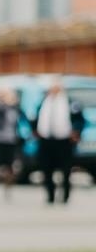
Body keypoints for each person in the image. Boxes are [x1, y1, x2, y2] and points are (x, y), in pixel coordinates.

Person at [36, 76, 83, 205]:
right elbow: (36, 119)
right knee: (46, 169)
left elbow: (80, 120)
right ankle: (50, 195)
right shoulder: (44, 102)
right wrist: (36, 131)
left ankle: (65, 196)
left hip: (64, 141)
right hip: (46, 141)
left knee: (66, 170)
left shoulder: (70, 102)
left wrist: (76, 132)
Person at [0, 81, 30, 200]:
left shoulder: (16, 106)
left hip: (10, 140)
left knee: (10, 168)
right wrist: (6, 102)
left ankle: (8, 192)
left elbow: (25, 118)